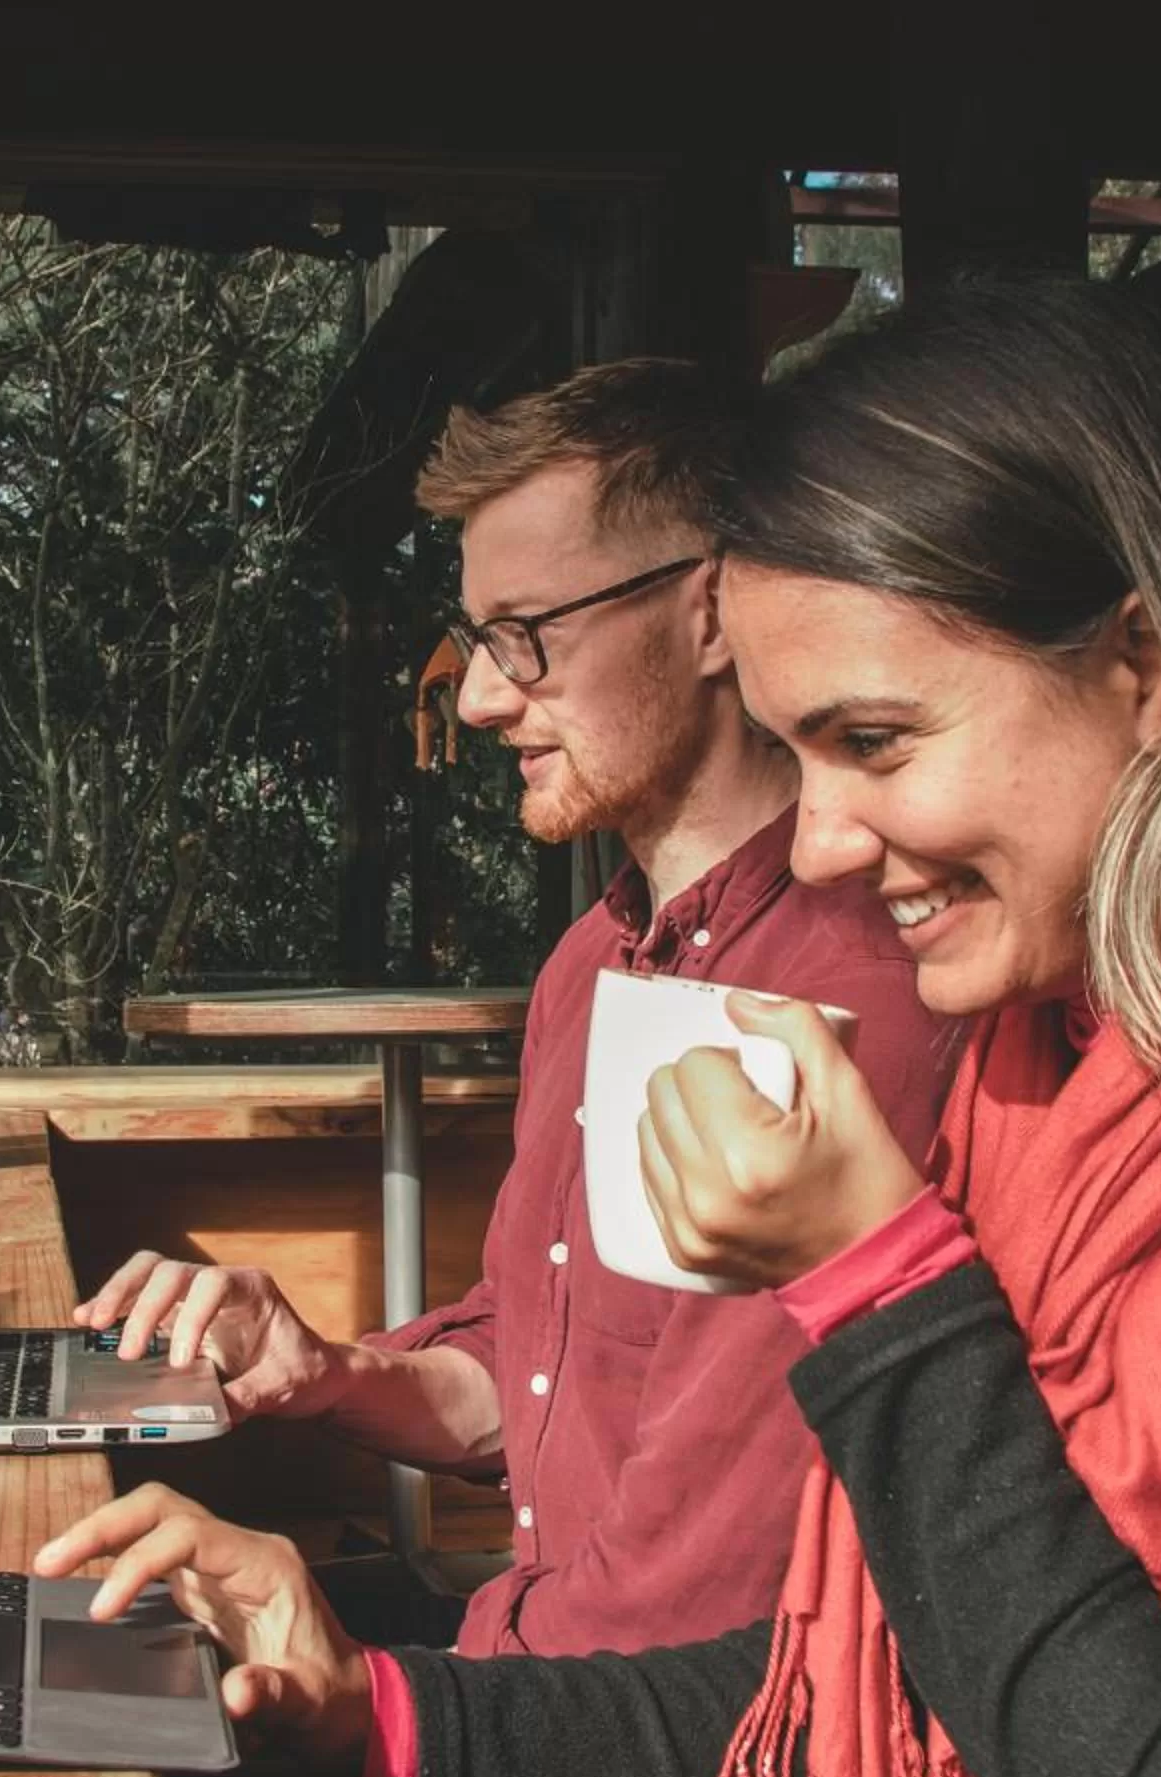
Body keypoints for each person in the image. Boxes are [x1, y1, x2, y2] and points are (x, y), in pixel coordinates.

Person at [39, 275, 1161, 1777]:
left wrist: (880, 1294)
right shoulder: (1062, 1071)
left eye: (875, 742)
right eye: (805, 756)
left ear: (1148, 667)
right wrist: (379, 1721)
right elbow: (873, 1689)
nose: (816, 849)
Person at [84, 358, 957, 1667]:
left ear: (715, 612)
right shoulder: (591, 965)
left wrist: (365, 1703)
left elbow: (686, 1616)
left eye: (524, 635)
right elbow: (541, 1378)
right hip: (556, 1663)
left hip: (686, 1769)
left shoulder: (842, 1005)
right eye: (477, 643)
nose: (483, 697)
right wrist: (326, 1373)